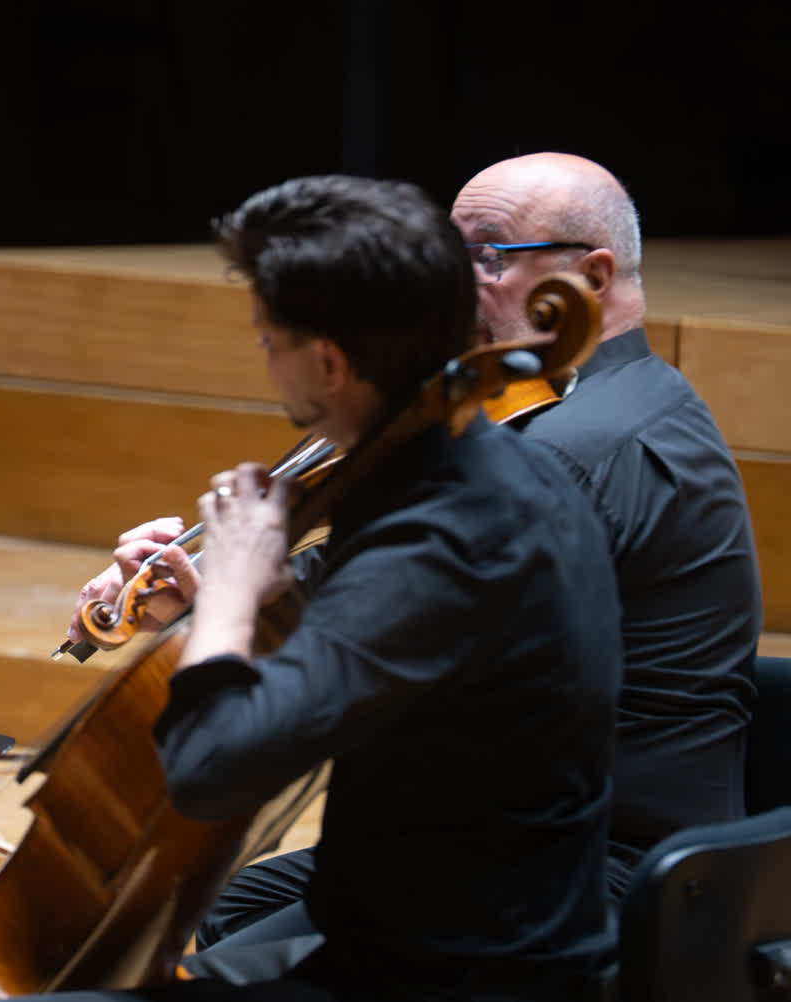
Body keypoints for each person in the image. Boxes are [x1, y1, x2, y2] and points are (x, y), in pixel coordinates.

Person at [41, 174, 623, 1002]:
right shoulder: (491, 474)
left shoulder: (442, 538)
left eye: (267, 337)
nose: (261, 354)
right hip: (431, 949)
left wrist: (237, 598)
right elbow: (379, 653)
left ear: (329, 362)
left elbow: (207, 771)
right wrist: (229, 601)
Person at [188, 153, 763, 975]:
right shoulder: (623, 398)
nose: (454, 288)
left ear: (591, 276)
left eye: (487, 257)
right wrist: (217, 577)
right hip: (505, 822)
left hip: (592, 864)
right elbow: (395, 578)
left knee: (214, 959)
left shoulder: (576, 448)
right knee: (228, 910)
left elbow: (374, 636)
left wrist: (233, 606)